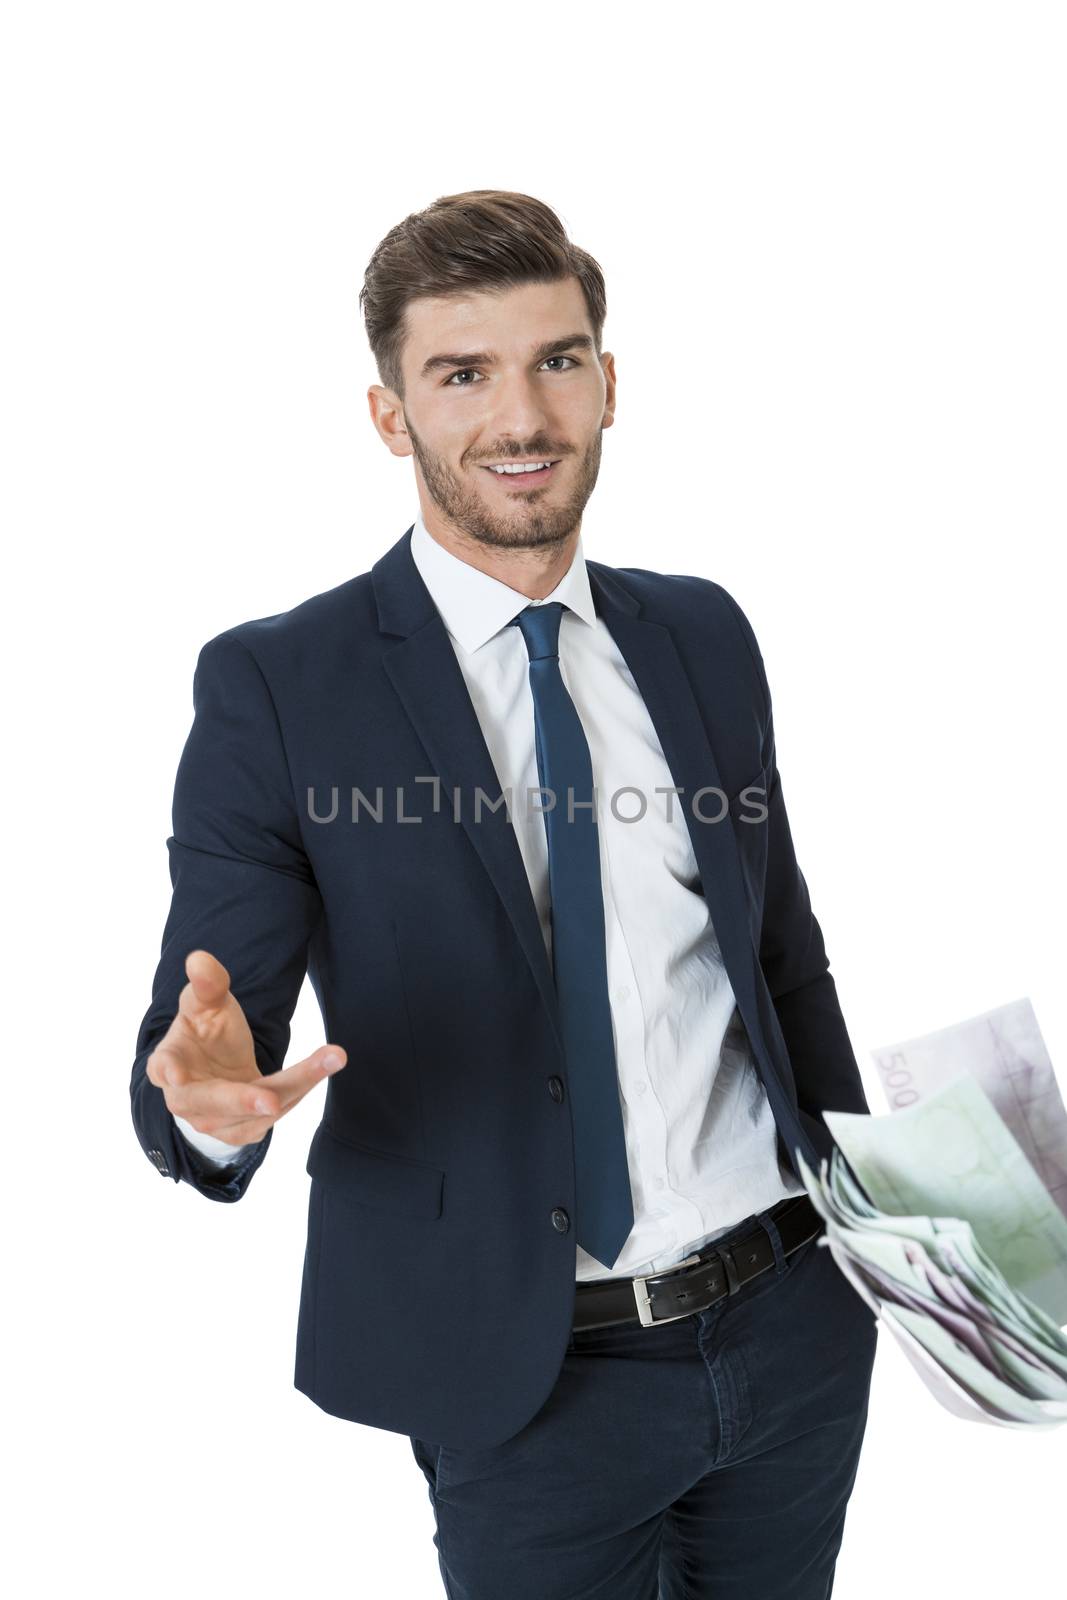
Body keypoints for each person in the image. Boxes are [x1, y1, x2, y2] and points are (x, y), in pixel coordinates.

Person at [131, 189, 877, 1598]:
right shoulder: (285, 687)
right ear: (389, 413)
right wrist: (207, 1109)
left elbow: (784, 961)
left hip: (794, 1328)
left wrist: (886, 1230)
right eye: (461, 374)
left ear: (609, 383)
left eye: (558, 360)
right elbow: (209, 1017)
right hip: (528, 1375)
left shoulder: (701, 630)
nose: (520, 416)